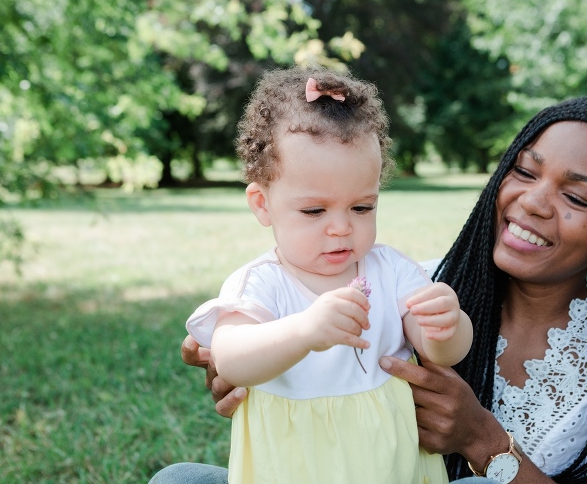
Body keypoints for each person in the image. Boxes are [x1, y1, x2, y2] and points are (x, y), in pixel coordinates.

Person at [157, 95, 587, 484]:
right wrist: (248, 355)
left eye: (576, 197)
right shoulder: (423, 279)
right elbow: (251, 349)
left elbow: (445, 340)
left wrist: (480, 438)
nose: (533, 203)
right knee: (179, 481)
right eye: (525, 172)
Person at [170, 67, 475, 484]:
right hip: (296, 466)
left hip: (391, 466)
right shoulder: (262, 283)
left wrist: (448, 324)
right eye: (315, 210)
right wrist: (305, 330)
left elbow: (444, 353)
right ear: (262, 204)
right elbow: (231, 358)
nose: (341, 228)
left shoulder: (392, 271)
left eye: (362, 207)